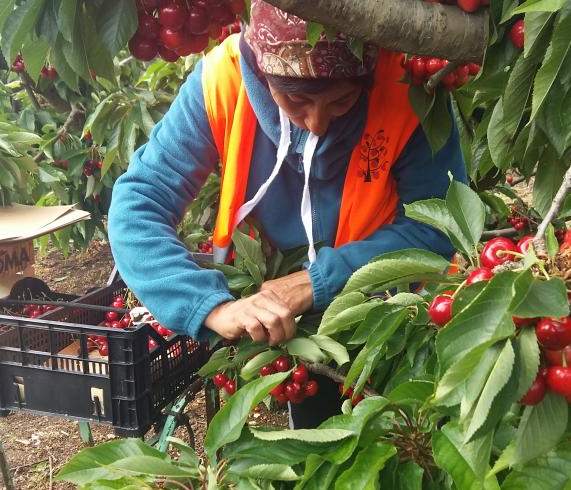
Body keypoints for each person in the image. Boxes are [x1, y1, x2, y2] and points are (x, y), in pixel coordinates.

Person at [109, 0, 466, 427]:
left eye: (342, 102)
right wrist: (210, 307)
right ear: (260, 74)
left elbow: (441, 225)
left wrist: (319, 281)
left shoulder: (408, 83)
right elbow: (139, 203)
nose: (316, 123)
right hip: (292, 324)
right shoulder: (222, 81)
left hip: (395, 310)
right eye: (295, 102)